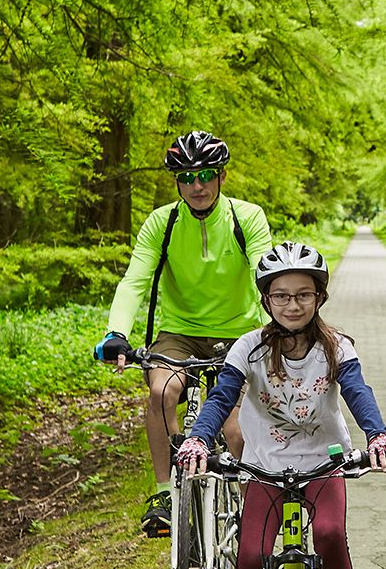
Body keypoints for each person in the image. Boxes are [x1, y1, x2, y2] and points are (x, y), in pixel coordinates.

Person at [177, 242, 386, 569]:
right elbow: (222, 398)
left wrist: (378, 435)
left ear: (319, 298)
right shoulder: (249, 349)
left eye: (303, 294)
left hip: (324, 465)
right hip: (266, 467)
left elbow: (358, 393)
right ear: (266, 299)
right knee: (254, 551)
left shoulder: (336, 347)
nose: (292, 304)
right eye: (281, 295)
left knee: (332, 537)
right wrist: (199, 439)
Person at [95, 131, 273, 538]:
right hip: (180, 332)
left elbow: (263, 272)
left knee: (235, 429)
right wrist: (116, 333)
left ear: (222, 176)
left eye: (207, 174)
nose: (198, 185)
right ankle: (164, 491)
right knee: (161, 391)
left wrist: (279, 325)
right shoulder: (163, 222)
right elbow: (135, 280)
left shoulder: (246, 217)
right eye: (187, 177)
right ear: (176, 182)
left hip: (238, 335)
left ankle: (252, 510)